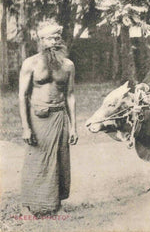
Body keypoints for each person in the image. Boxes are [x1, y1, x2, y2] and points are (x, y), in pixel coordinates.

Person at [18, 19, 78, 216]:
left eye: (58, 37)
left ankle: (57, 206)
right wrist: (26, 127)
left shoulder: (68, 65)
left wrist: (74, 126)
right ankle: (27, 206)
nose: (56, 41)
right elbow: (22, 96)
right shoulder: (30, 63)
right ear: (41, 40)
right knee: (35, 160)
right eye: (51, 37)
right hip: (38, 118)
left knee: (60, 161)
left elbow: (70, 95)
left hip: (59, 117)